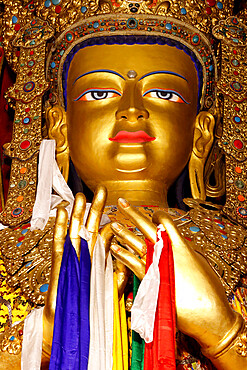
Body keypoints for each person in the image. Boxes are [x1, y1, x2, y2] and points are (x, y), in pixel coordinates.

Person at [0, 1, 246, 369]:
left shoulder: (238, 256)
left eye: (164, 93)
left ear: (201, 134)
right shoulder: (9, 258)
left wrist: (221, 329)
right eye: (100, 93)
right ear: (60, 129)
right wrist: (47, 336)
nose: (132, 110)